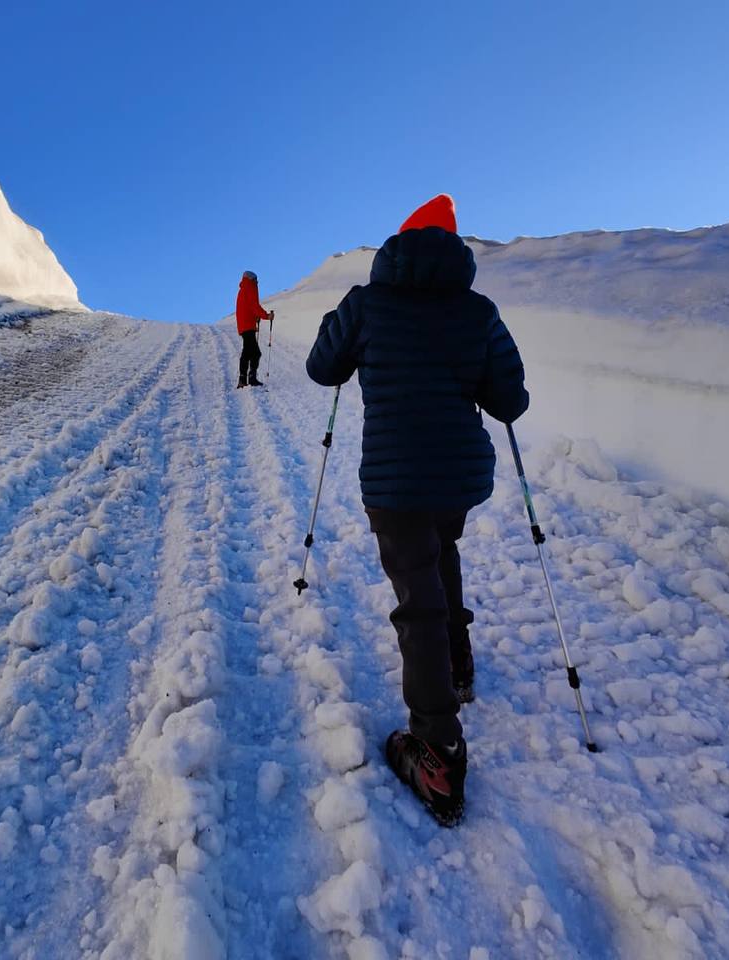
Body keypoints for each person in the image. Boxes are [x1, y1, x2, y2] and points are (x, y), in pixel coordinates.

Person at [304, 194, 529, 826]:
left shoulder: (367, 302)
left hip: (396, 477)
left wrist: (346, 329)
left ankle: (437, 747)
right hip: (458, 474)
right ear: (454, 247)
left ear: (400, 243)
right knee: (441, 551)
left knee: (417, 595)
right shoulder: (478, 311)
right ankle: (457, 662)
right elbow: (509, 401)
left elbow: (323, 369)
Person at [235, 270, 273, 388]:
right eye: (256, 279)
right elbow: (254, 305)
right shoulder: (250, 288)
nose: (257, 282)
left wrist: (255, 317)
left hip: (245, 325)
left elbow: (248, 307)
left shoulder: (243, 290)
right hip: (247, 326)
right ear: (252, 279)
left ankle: (245, 379)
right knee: (254, 353)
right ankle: (249, 379)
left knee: (248, 352)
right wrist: (266, 316)